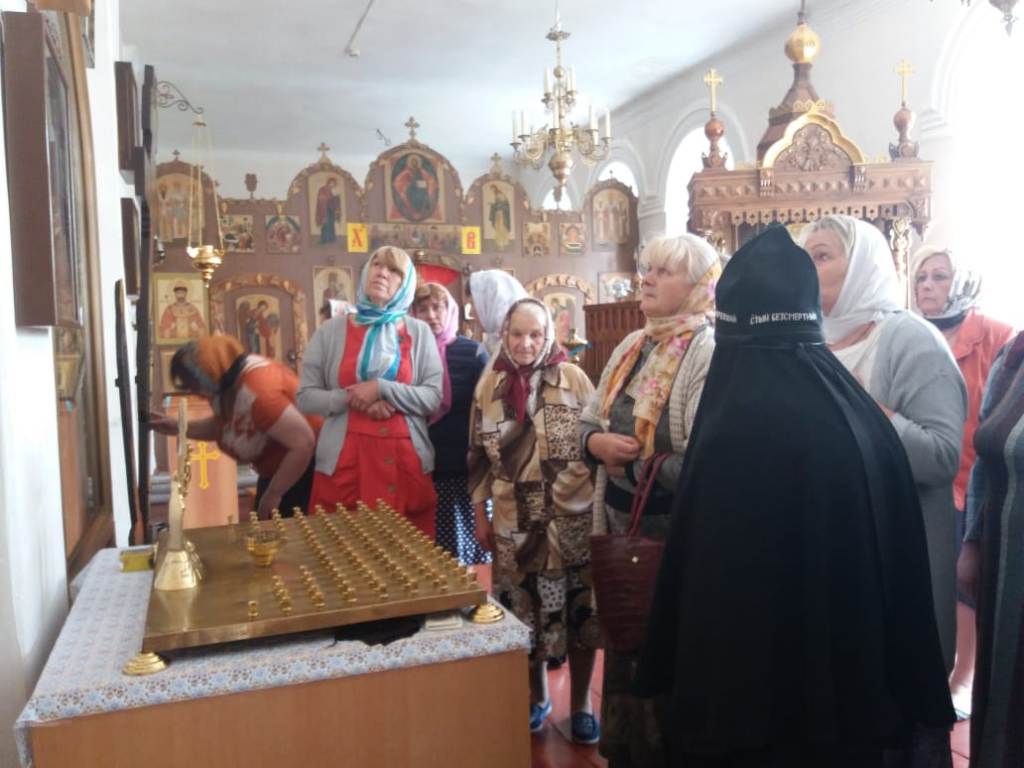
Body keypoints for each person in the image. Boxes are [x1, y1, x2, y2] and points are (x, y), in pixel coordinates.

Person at [635, 225, 955, 768]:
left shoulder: (731, 422)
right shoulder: (861, 416)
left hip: (748, 713)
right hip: (850, 700)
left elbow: (706, 588)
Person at [801, 214, 965, 765]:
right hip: (836, 560)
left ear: (863, 265)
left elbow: (941, 457)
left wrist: (865, 408)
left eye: (823, 255)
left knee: (901, 722)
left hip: (897, 559)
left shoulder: (909, 338)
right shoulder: (813, 343)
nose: (808, 267)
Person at [578, 233, 719, 767]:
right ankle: (627, 751)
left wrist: (634, 465)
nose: (648, 279)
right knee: (624, 638)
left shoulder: (706, 351)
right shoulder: (632, 345)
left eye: (664, 271)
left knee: (666, 650)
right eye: (648, 269)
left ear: (699, 285)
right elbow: (588, 420)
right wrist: (596, 445)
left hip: (673, 534)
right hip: (620, 523)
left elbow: (704, 459)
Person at [467, 298, 600, 744]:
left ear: (549, 337)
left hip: (570, 521)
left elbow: (595, 443)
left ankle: (581, 705)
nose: (525, 343)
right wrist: (480, 515)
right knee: (523, 614)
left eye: (535, 334)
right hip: (514, 523)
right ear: (504, 335)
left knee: (580, 616)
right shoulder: (489, 385)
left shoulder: (574, 378)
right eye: (517, 334)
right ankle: (536, 696)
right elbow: (476, 456)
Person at [910, 245, 1015, 719]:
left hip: (972, 478)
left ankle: (963, 676)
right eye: (921, 278)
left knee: (961, 574)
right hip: (921, 473)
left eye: (940, 276)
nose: (927, 286)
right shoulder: (908, 334)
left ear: (965, 281)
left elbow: (998, 417)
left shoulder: (998, 337)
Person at [297, 246, 442, 535]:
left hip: (404, 464)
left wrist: (381, 388)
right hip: (346, 463)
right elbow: (305, 397)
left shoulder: (419, 332)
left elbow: (433, 397)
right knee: (341, 552)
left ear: (406, 283)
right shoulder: (330, 331)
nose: (382, 273)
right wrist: (352, 398)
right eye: (376, 264)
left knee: (407, 555)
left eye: (393, 270)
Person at [150, 335, 321, 518]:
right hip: (279, 473)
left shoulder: (259, 391)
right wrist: (178, 427)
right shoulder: (230, 380)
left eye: (194, 386)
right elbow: (226, 426)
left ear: (209, 375)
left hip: (305, 475)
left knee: (291, 533)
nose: (195, 394)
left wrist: (274, 494)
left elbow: (303, 444)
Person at [961, 331, 1024, 768]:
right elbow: (984, 462)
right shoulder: (1014, 355)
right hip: (1005, 568)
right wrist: (971, 543)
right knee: (1003, 689)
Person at [412, 281, 490, 564]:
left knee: (469, 555)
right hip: (422, 468)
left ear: (450, 310)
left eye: (437, 307)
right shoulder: (407, 353)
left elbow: (486, 409)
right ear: (413, 315)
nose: (431, 315)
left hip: (463, 469)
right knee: (427, 554)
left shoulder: (473, 352)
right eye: (423, 309)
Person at [466, 269, 527, 356]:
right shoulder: (499, 344)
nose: (470, 313)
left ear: (490, 303)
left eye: (473, 304)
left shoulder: (519, 349)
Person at [315, 177, 342, 244]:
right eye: (331, 183)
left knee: (331, 224)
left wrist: (335, 198)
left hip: (330, 210)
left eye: (334, 184)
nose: (332, 185)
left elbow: (332, 200)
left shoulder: (330, 190)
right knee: (325, 224)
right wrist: (330, 198)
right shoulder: (322, 189)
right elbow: (321, 198)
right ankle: (324, 240)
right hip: (324, 210)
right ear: (328, 182)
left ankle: (331, 239)